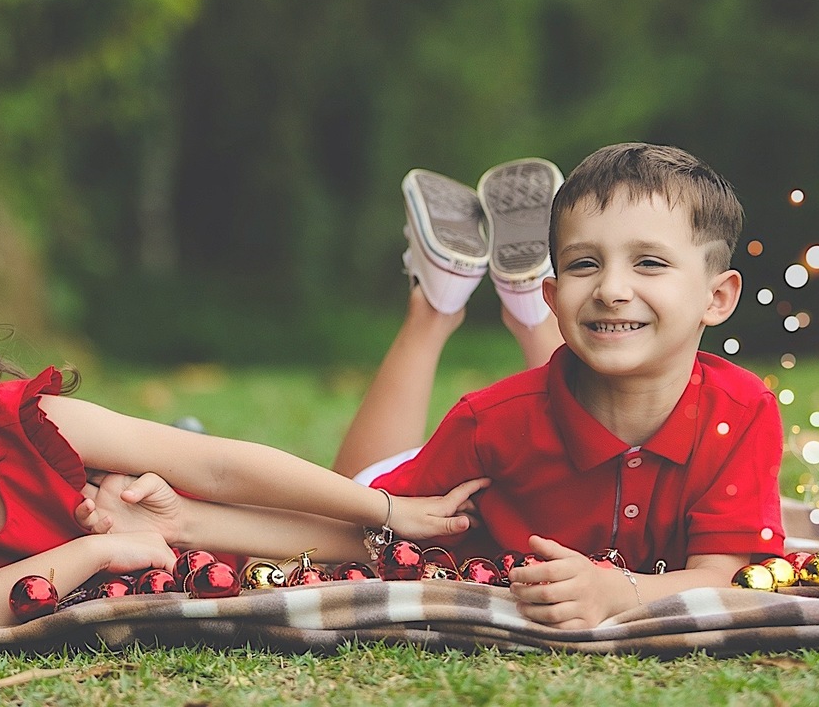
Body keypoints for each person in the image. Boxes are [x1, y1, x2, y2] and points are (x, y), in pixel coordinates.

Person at [0, 217, 487, 631]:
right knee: (380, 537)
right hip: (193, 527)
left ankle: (462, 307)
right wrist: (99, 554)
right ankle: (448, 312)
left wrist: (388, 510)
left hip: (221, 506)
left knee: (410, 510)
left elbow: (223, 471)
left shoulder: (33, 427)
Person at [333, 143, 785, 629]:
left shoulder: (741, 411)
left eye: (649, 263)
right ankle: (437, 304)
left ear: (716, 297)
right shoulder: (486, 424)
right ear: (557, 295)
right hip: (420, 488)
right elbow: (364, 526)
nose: (611, 288)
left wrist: (618, 590)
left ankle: (496, 299)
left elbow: (728, 573)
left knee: (596, 343)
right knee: (359, 493)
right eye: (584, 264)